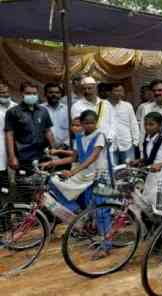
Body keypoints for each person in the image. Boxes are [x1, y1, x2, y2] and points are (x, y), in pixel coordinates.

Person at [44, 109, 115, 258]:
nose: (90, 125)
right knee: (54, 182)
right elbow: (74, 158)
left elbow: (92, 158)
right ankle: (78, 215)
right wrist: (53, 162)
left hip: (99, 177)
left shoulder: (100, 136)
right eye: (87, 123)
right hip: (86, 176)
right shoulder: (80, 138)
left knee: (101, 212)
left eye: (92, 122)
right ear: (81, 124)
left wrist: (72, 172)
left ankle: (106, 246)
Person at [131, 111, 162, 213]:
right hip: (151, 178)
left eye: (151, 124)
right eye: (146, 124)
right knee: (147, 207)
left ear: (160, 126)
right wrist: (138, 161)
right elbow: (150, 159)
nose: (148, 127)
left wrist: (160, 165)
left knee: (159, 210)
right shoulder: (147, 140)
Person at [5, 82, 55, 174]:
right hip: (23, 157)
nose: (32, 95)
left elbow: (48, 131)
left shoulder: (43, 111)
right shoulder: (13, 112)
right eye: (28, 93)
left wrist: (54, 150)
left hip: (42, 155)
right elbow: (9, 135)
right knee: (26, 185)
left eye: (34, 93)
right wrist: (12, 157)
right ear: (22, 94)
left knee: (44, 184)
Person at [109, 83, 140, 164]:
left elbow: (133, 123)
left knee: (128, 170)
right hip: (110, 145)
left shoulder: (127, 106)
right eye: (116, 91)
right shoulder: (104, 105)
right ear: (110, 92)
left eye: (121, 91)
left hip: (127, 143)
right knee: (113, 171)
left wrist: (135, 142)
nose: (119, 93)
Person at [0, 82, 16, 204]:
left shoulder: (16, 108)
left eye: (6, 92)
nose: (4, 95)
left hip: (16, 150)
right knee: (4, 185)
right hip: (1, 153)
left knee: (16, 183)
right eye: (1, 93)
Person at [41, 82, 69, 146]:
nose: (54, 95)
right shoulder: (40, 110)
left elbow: (72, 129)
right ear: (45, 94)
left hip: (65, 147)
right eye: (50, 92)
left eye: (57, 93)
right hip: (45, 148)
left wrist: (65, 144)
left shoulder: (68, 110)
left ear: (61, 94)